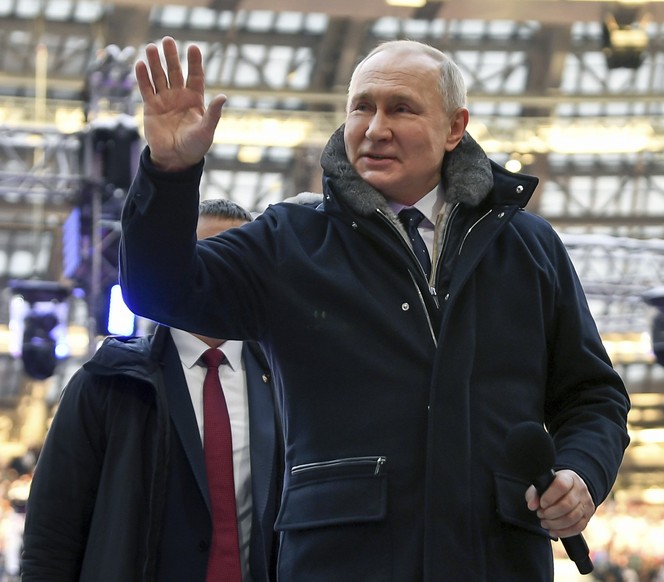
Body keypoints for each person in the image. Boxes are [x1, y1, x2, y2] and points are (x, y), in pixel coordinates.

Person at [119, 36, 630, 581]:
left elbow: (593, 396)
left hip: (494, 561)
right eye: (361, 106)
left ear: (455, 127)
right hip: (341, 563)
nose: (374, 127)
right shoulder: (290, 241)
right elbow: (159, 289)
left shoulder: (528, 248)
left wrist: (581, 472)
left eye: (401, 108)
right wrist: (168, 173)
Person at [21, 199, 281, 582]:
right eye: (207, 256)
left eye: (239, 259)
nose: (222, 273)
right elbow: (51, 536)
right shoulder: (108, 382)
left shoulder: (283, 387)